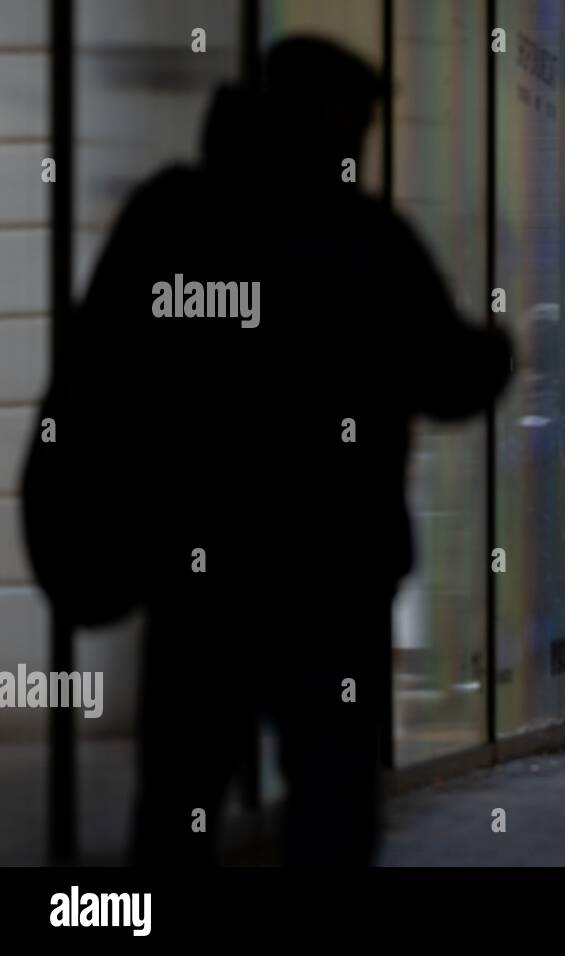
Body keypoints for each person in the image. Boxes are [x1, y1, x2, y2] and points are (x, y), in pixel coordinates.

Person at [22, 38, 511, 864]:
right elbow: (450, 375)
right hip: (331, 575)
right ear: (327, 124)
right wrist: (492, 348)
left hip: (198, 572)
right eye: (354, 125)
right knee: (330, 796)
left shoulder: (174, 217)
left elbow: (92, 377)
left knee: (181, 794)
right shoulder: (361, 239)